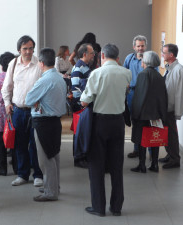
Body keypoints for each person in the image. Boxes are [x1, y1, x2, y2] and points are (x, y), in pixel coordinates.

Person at [80, 43, 131, 217]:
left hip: (99, 122)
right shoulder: (126, 73)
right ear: (118, 58)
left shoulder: (96, 73)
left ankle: (98, 207)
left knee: (96, 166)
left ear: (102, 56)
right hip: (118, 122)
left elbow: (84, 101)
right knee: (117, 166)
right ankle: (116, 207)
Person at [1, 35, 43, 187]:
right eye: (25, 48)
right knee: (19, 144)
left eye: (31, 48)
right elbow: (6, 87)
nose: (28, 51)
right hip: (18, 110)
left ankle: (38, 174)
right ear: (19, 49)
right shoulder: (13, 64)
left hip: (35, 111)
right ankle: (22, 174)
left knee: (35, 144)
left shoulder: (39, 63)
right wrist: (7, 104)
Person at [25, 48, 66, 202]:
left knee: (45, 159)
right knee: (54, 156)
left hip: (44, 123)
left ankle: (50, 192)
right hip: (55, 122)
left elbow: (28, 100)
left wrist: (37, 100)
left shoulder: (45, 80)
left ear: (41, 63)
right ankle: (55, 187)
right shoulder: (59, 77)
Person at [130, 51, 168, 173]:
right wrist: (163, 115)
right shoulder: (159, 76)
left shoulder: (143, 75)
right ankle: (154, 164)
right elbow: (163, 97)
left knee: (142, 139)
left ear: (145, 62)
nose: (141, 61)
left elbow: (140, 96)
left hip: (143, 114)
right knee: (154, 139)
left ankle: (142, 165)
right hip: (156, 114)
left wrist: (134, 113)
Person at [124, 35, 154, 159]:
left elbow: (154, 75)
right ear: (134, 47)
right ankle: (137, 149)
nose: (140, 48)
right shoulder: (129, 58)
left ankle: (152, 152)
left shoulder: (150, 58)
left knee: (148, 123)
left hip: (146, 95)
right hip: (132, 94)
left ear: (145, 46)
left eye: (142, 46)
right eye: (138, 46)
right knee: (135, 122)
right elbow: (124, 73)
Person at [159, 44, 183, 169]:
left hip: (171, 108)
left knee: (171, 134)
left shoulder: (179, 70)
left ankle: (175, 159)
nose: (162, 54)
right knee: (166, 133)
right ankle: (169, 154)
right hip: (166, 107)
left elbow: (180, 93)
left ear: (171, 55)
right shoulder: (169, 68)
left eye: (164, 52)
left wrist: (178, 112)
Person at [70, 43, 94, 168]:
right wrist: (82, 104)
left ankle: (81, 156)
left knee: (81, 131)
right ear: (84, 54)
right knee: (79, 132)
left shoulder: (84, 66)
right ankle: (78, 158)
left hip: (83, 104)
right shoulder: (79, 67)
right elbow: (76, 89)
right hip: (80, 105)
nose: (93, 56)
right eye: (91, 53)